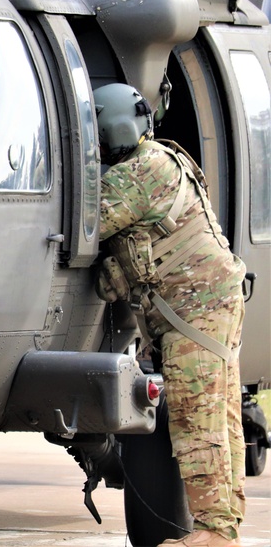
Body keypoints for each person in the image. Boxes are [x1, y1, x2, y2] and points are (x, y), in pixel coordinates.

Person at [95, 83, 247, 547]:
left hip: (193, 310)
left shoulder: (139, 173)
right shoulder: (160, 158)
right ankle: (222, 527)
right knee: (220, 420)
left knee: (195, 421)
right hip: (208, 305)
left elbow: (80, 223)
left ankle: (214, 533)